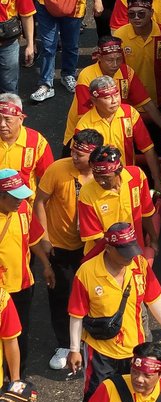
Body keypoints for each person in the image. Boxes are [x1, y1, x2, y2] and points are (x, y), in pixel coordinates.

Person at [67, 222, 161, 402]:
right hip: (100, 353)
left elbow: (154, 299)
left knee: (131, 401)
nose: (130, 258)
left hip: (134, 350)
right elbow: (76, 314)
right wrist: (74, 350)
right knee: (97, 400)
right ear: (109, 249)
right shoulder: (87, 272)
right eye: (124, 253)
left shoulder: (139, 265)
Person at [33, 129, 103, 371]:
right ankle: (64, 343)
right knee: (60, 293)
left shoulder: (103, 173)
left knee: (93, 293)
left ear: (94, 156)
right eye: (73, 150)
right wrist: (44, 237)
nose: (74, 156)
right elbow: (39, 201)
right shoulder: (57, 169)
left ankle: (89, 340)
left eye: (80, 154)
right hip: (60, 245)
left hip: (91, 244)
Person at [0, 168, 55, 375]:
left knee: (19, 336)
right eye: (15, 197)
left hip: (22, 285)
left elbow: (31, 240)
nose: (20, 201)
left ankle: (17, 379)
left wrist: (46, 265)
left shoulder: (23, 209)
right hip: (0, 292)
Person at [73, 76, 161, 191]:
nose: (114, 101)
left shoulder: (130, 113)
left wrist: (157, 180)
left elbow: (148, 148)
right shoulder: (84, 125)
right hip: (99, 184)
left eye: (116, 95)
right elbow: (82, 162)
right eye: (107, 97)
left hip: (127, 180)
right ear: (94, 100)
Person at [78, 145, 157, 255]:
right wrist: (122, 258)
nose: (100, 182)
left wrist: (153, 239)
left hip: (134, 250)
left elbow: (146, 213)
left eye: (106, 177)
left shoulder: (137, 176)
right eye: (96, 176)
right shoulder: (86, 193)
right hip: (105, 255)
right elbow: (96, 237)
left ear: (119, 170)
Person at [115, 0, 161, 108]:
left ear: (151, 13)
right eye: (131, 14)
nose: (136, 18)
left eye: (141, 14)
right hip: (131, 102)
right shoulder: (119, 36)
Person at [0, 93, 53, 197]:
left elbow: (48, 179)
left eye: (7, 119)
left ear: (21, 119)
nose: (2, 124)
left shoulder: (38, 142)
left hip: (24, 206)